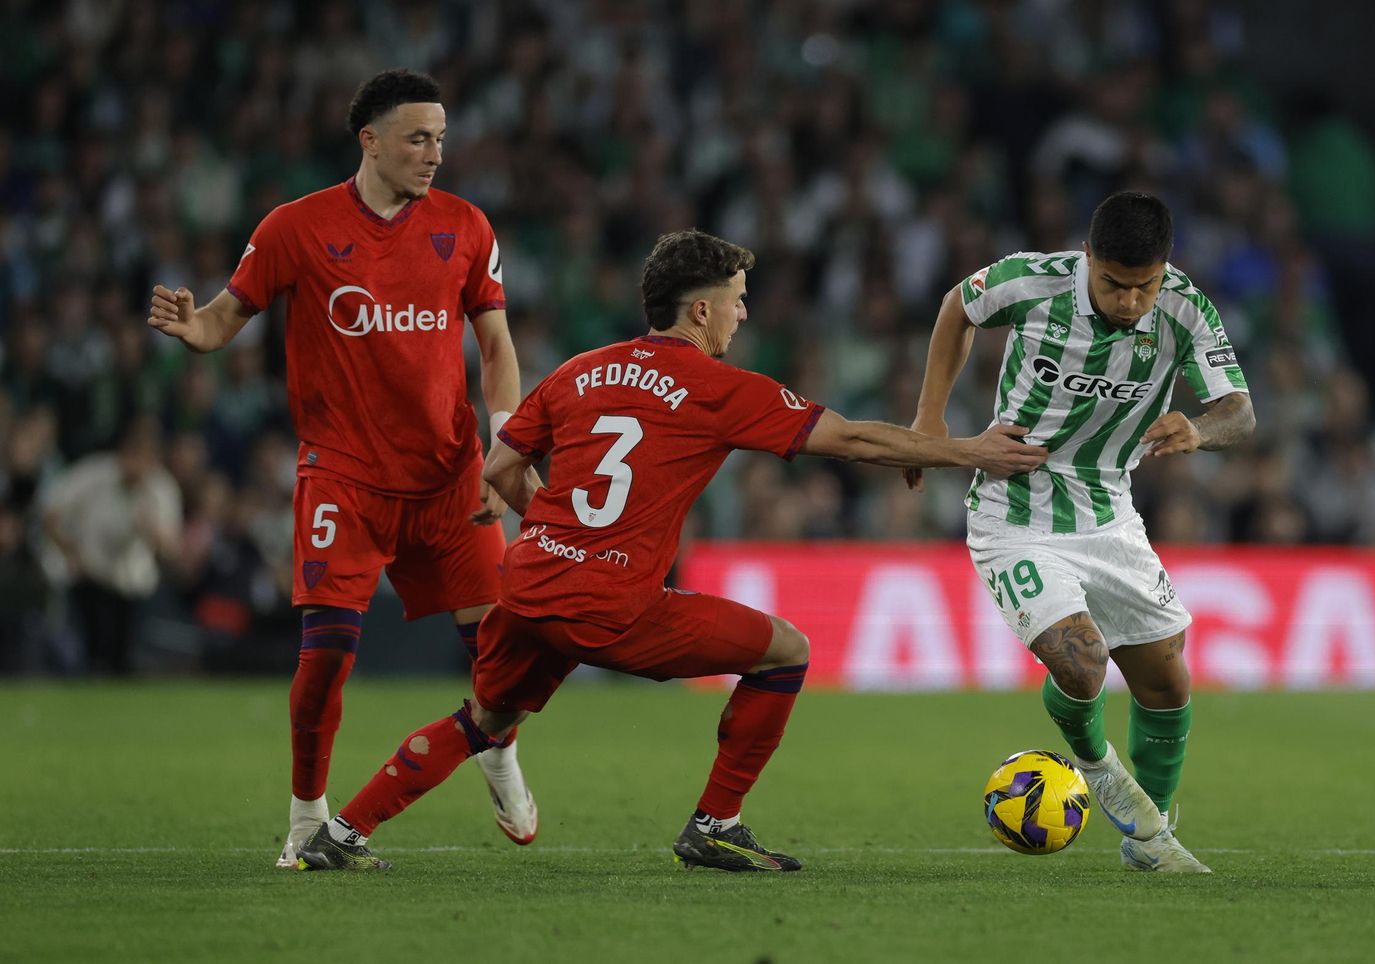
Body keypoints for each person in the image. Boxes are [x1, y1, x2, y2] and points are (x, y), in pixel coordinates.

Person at [293, 229, 1048, 872]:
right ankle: (714, 823)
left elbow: (497, 470)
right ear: (699, 309)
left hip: (527, 585)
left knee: (481, 722)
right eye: (736, 298)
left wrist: (555, 526)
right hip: (616, 605)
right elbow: (847, 438)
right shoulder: (717, 387)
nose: (743, 312)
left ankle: (342, 831)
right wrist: (968, 450)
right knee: (785, 649)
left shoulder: (579, 370)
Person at [146, 69, 536, 867]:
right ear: (371, 140)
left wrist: (503, 441)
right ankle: (304, 821)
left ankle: (497, 749)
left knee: (500, 654)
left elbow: (495, 345)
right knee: (325, 659)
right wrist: (195, 331)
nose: (434, 154)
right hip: (345, 476)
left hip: (449, 475)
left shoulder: (464, 227)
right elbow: (228, 315)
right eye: (418, 138)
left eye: (441, 138)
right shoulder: (297, 226)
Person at [905, 191, 1254, 873]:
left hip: (1110, 512)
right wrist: (929, 423)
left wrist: (1199, 428)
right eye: (1113, 284)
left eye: (1143, 287)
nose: (1129, 301)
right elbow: (957, 306)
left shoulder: (1186, 307)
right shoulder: (1031, 282)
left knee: (1167, 683)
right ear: (1086, 257)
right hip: (1016, 514)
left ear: (1166, 270)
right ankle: (1100, 771)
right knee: (1082, 657)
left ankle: (1147, 843)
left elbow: (1240, 412)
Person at [40, 416, 181, 674]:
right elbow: (50, 512)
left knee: (124, 658)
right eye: (132, 454)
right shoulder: (97, 473)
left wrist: (151, 530)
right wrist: (69, 550)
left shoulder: (161, 488)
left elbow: (170, 550)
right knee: (93, 655)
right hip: (91, 576)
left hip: (134, 584)